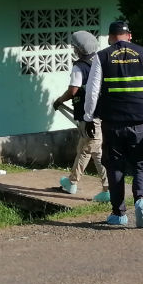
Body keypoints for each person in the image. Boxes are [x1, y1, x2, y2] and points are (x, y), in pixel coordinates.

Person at [83, 21, 143, 227]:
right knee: (141, 163)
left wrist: (88, 117)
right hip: (139, 121)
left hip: (112, 123)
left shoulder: (101, 57)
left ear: (111, 37)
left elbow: (92, 90)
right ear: (129, 36)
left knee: (114, 167)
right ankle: (141, 198)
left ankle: (119, 213)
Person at [53, 31, 110, 202]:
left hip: (89, 115)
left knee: (96, 151)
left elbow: (73, 90)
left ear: (78, 49)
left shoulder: (80, 66)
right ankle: (72, 182)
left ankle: (109, 189)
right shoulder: (102, 61)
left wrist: (59, 100)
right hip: (102, 112)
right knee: (84, 148)